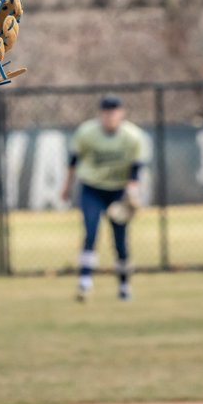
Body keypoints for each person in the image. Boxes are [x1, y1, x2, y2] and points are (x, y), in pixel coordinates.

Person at [60, 94, 149, 302]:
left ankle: (124, 285)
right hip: (93, 188)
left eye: (114, 112)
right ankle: (84, 281)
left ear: (121, 113)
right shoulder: (87, 133)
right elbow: (74, 160)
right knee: (90, 232)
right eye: (107, 112)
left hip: (118, 191)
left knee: (120, 240)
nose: (110, 116)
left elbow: (135, 169)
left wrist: (132, 192)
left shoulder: (132, 136)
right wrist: (67, 186)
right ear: (101, 114)